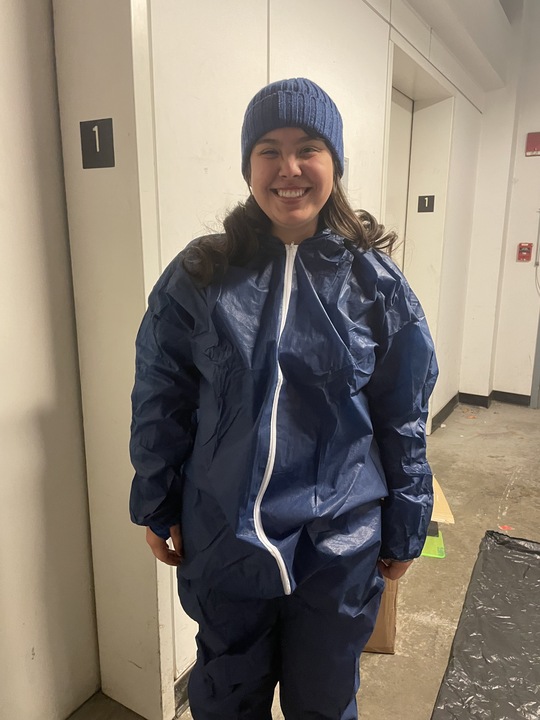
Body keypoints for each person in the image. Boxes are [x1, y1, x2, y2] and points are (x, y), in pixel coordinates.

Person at [129, 77, 438, 720]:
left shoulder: (375, 286)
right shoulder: (200, 275)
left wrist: (407, 525)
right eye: (268, 149)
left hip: (340, 541)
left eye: (309, 148)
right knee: (225, 698)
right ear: (248, 166)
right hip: (224, 535)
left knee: (324, 702)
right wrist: (156, 500)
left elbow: (402, 418)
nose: (288, 168)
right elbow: (162, 394)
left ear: (335, 164)